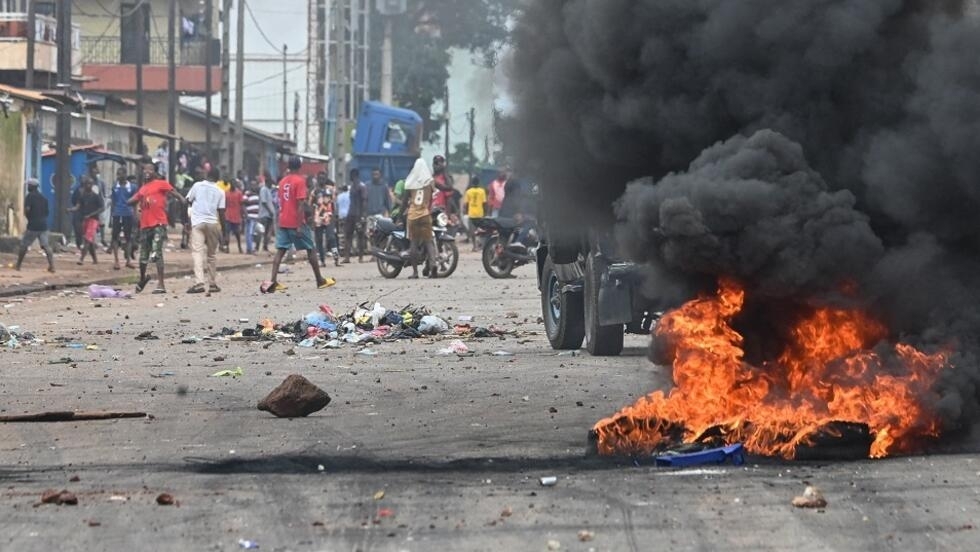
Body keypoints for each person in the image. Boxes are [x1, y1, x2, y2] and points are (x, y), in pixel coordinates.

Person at [261, 157, 335, 293]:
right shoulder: (300, 181)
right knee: (311, 248)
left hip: (283, 220)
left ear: (288, 166)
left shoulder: (282, 181)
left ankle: (273, 281)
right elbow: (300, 204)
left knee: (280, 250)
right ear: (300, 166)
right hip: (295, 221)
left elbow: (282, 201)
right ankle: (320, 280)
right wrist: (300, 224)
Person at [129, 162, 186, 294]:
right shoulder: (142, 188)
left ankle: (161, 284)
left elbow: (174, 193)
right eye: (145, 169)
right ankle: (143, 278)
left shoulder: (161, 183)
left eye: (150, 169)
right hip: (145, 225)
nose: (147, 171)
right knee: (143, 257)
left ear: (155, 172)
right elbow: (133, 199)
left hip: (158, 223)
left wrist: (183, 200)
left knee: (156, 252)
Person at [185, 167, 226, 295]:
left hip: (198, 223)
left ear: (207, 174)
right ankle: (212, 283)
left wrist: (187, 219)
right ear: (218, 178)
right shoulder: (220, 191)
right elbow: (222, 212)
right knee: (212, 255)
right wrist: (223, 231)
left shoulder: (197, 186)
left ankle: (199, 283)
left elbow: (188, 200)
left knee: (197, 252)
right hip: (213, 223)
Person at [402, 159, 438, 279]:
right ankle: (433, 265)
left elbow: (404, 202)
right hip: (425, 214)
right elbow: (434, 197)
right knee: (429, 241)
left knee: (413, 243)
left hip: (413, 216)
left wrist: (401, 213)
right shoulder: (430, 182)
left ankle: (415, 272)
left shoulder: (410, 182)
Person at [15, 179, 55, 273]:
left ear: (32, 187)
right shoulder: (43, 198)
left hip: (33, 225)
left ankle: (18, 265)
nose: (27, 187)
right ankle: (52, 266)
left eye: (28, 185)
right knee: (46, 246)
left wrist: (29, 218)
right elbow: (46, 212)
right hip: (43, 225)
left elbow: (27, 210)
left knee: (24, 245)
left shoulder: (29, 196)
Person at [70, 176, 104, 265]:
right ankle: (95, 259)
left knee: (87, 240)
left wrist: (91, 214)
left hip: (93, 220)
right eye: (86, 184)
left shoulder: (96, 196)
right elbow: (78, 206)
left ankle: (81, 258)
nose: (88, 186)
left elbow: (101, 208)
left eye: (90, 184)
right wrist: (71, 209)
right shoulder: (82, 196)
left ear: (92, 185)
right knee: (90, 241)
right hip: (85, 219)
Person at [109, 167, 138, 269]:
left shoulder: (133, 187)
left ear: (125, 174)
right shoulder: (115, 187)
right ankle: (116, 261)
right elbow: (113, 202)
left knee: (128, 237)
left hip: (128, 214)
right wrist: (110, 218)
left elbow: (135, 203)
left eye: (120, 174)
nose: (119, 176)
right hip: (117, 214)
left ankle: (128, 260)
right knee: (115, 237)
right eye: (118, 174)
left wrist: (135, 215)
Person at [313, 177, 340, 267]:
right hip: (318, 218)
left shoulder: (330, 190)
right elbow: (309, 203)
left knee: (331, 237)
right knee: (319, 239)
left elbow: (334, 203)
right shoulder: (314, 192)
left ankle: (336, 258)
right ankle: (322, 260)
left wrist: (334, 217)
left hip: (328, 216)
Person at [342, 168, 367, 263]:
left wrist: (363, 215)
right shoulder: (353, 186)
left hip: (358, 215)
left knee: (359, 235)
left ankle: (360, 257)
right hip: (351, 214)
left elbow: (364, 201)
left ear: (353, 176)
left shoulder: (361, 187)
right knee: (348, 235)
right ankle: (347, 257)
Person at [463, 176, 487, 252]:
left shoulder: (468, 191)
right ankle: (481, 245)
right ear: (479, 183)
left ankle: (474, 246)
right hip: (480, 213)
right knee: (481, 231)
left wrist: (466, 211)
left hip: (472, 214)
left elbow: (466, 204)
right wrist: (485, 213)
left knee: (472, 231)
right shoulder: (482, 191)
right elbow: (484, 203)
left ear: (472, 183)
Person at [224, 179, 245, 253]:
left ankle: (239, 246)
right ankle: (227, 247)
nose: (233, 185)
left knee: (237, 233)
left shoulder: (239, 193)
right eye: (232, 183)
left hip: (236, 216)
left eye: (234, 184)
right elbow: (224, 204)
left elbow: (241, 204)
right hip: (228, 215)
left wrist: (243, 214)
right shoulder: (226, 193)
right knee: (227, 232)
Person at [258, 174, 277, 252]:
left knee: (267, 231)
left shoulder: (268, 190)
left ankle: (265, 246)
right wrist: (270, 211)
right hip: (264, 214)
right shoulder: (264, 189)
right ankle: (257, 246)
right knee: (262, 231)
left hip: (269, 214)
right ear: (267, 182)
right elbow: (264, 202)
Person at [243, 183, 261, 254]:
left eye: (255, 185)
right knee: (249, 233)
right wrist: (246, 214)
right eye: (253, 185)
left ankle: (249, 248)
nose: (254, 186)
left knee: (252, 233)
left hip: (255, 217)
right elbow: (243, 204)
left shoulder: (257, 195)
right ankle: (250, 249)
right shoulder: (247, 194)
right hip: (250, 217)